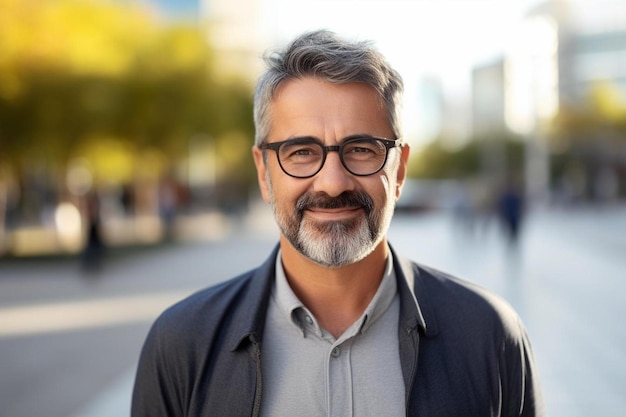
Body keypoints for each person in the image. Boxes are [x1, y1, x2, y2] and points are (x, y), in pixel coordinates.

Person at [131, 30, 544, 416]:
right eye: (301, 152)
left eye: (362, 149)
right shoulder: (182, 344)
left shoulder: (489, 335)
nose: (332, 183)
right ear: (263, 172)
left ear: (399, 172)